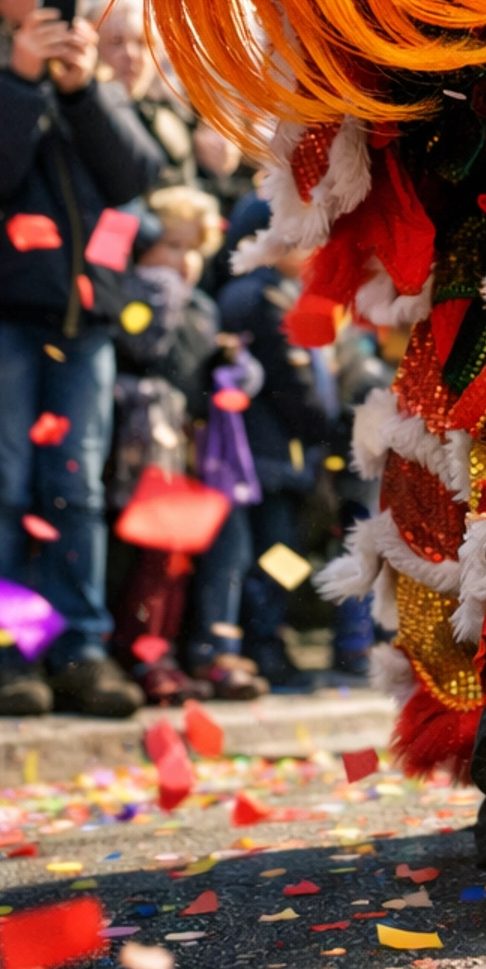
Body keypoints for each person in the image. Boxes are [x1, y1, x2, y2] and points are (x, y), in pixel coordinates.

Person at [0, 0, 163, 719]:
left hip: (87, 327)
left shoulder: (89, 75)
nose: (48, 0)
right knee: (2, 483)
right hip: (6, 315)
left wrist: (81, 89)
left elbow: (133, 176)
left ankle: (80, 648)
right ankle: (7, 652)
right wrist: (19, 81)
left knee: (76, 490)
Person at [106, 185, 238, 701]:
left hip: (181, 442)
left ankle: (162, 649)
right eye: (171, 247)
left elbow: (198, 376)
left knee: (173, 559)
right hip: (136, 446)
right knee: (138, 555)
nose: (181, 262)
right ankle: (134, 650)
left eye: (191, 251)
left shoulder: (202, 308)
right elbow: (140, 345)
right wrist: (160, 291)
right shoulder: (137, 292)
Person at [212, 193, 334, 694]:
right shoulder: (263, 298)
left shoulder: (261, 292)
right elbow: (292, 384)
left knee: (273, 552)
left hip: (270, 454)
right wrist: (330, 427)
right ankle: (265, 645)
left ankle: (268, 641)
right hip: (270, 454)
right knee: (274, 553)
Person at [97, 0, 198, 191]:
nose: (131, 54)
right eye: (116, 43)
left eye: (143, 43)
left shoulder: (174, 112)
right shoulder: (81, 117)